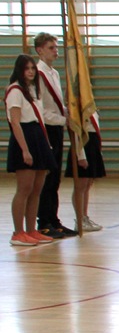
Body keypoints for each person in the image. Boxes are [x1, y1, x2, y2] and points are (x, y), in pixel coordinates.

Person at [7, 54, 54, 246]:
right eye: (27, 68)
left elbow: (40, 117)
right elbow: (15, 122)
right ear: (20, 70)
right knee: (24, 188)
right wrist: (25, 150)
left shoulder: (34, 89)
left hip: (38, 136)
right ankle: (18, 232)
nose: (31, 72)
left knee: (36, 189)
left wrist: (45, 144)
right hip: (24, 137)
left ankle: (31, 230)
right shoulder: (15, 90)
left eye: (33, 68)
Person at [32, 34, 73, 239]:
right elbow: (40, 109)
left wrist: (67, 112)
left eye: (56, 47)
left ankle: (54, 220)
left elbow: (56, 104)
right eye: (51, 47)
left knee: (55, 177)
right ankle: (44, 223)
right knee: (46, 178)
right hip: (46, 129)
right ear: (39, 50)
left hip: (57, 128)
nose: (56, 51)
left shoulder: (54, 73)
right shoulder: (37, 74)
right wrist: (62, 120)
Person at [66, 112, 105, 232]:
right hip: (83, 145)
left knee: (87, 185)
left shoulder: (91, 107)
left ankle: (84, 217)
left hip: (92, 143)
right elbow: (77, 132)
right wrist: (80, 155)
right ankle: (79, 220)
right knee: (80, 186)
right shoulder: (78, 108)